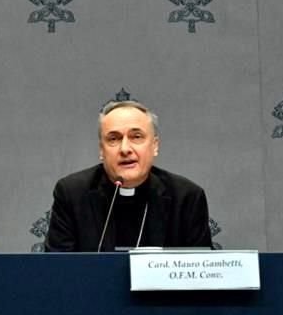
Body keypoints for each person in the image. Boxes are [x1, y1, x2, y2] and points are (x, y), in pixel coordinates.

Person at [45, 100, 212, 251]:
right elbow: (57, 272)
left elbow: (201, 276)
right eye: (114, 139)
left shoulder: (186, 197)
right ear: (101, 150)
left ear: (155, 146)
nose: (125, 149)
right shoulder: (72, 194)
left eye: (136, 137)